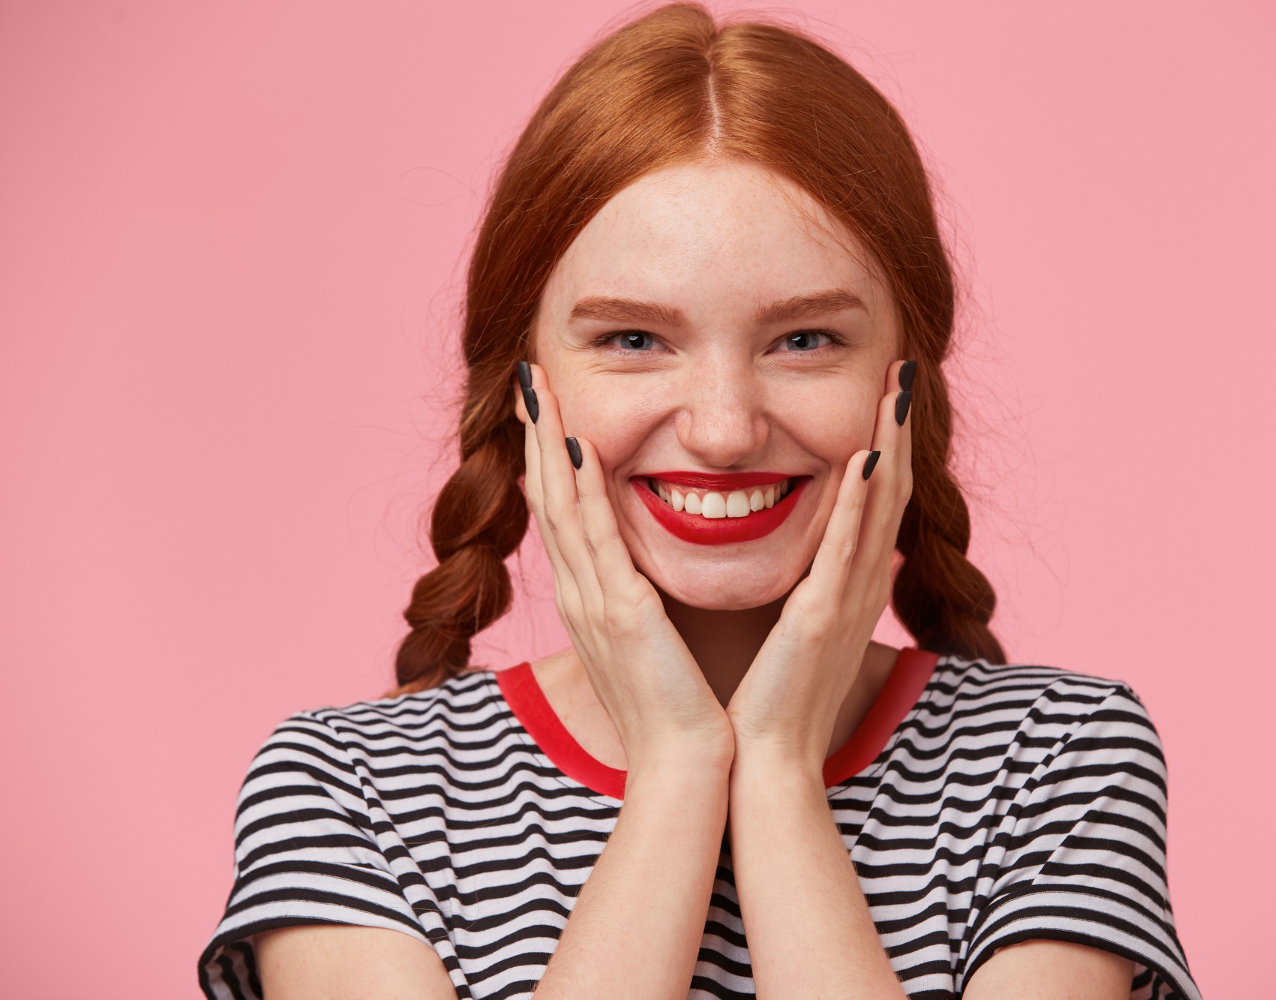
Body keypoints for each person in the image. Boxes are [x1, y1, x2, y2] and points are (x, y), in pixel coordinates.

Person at [198, 4, 1200, 998]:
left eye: (805, 339)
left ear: (906, 379)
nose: (724, 429)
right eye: (633, 339)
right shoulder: (347, 793)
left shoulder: (1060, 762)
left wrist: (774, 776)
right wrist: (680, 769)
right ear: (525, 385)